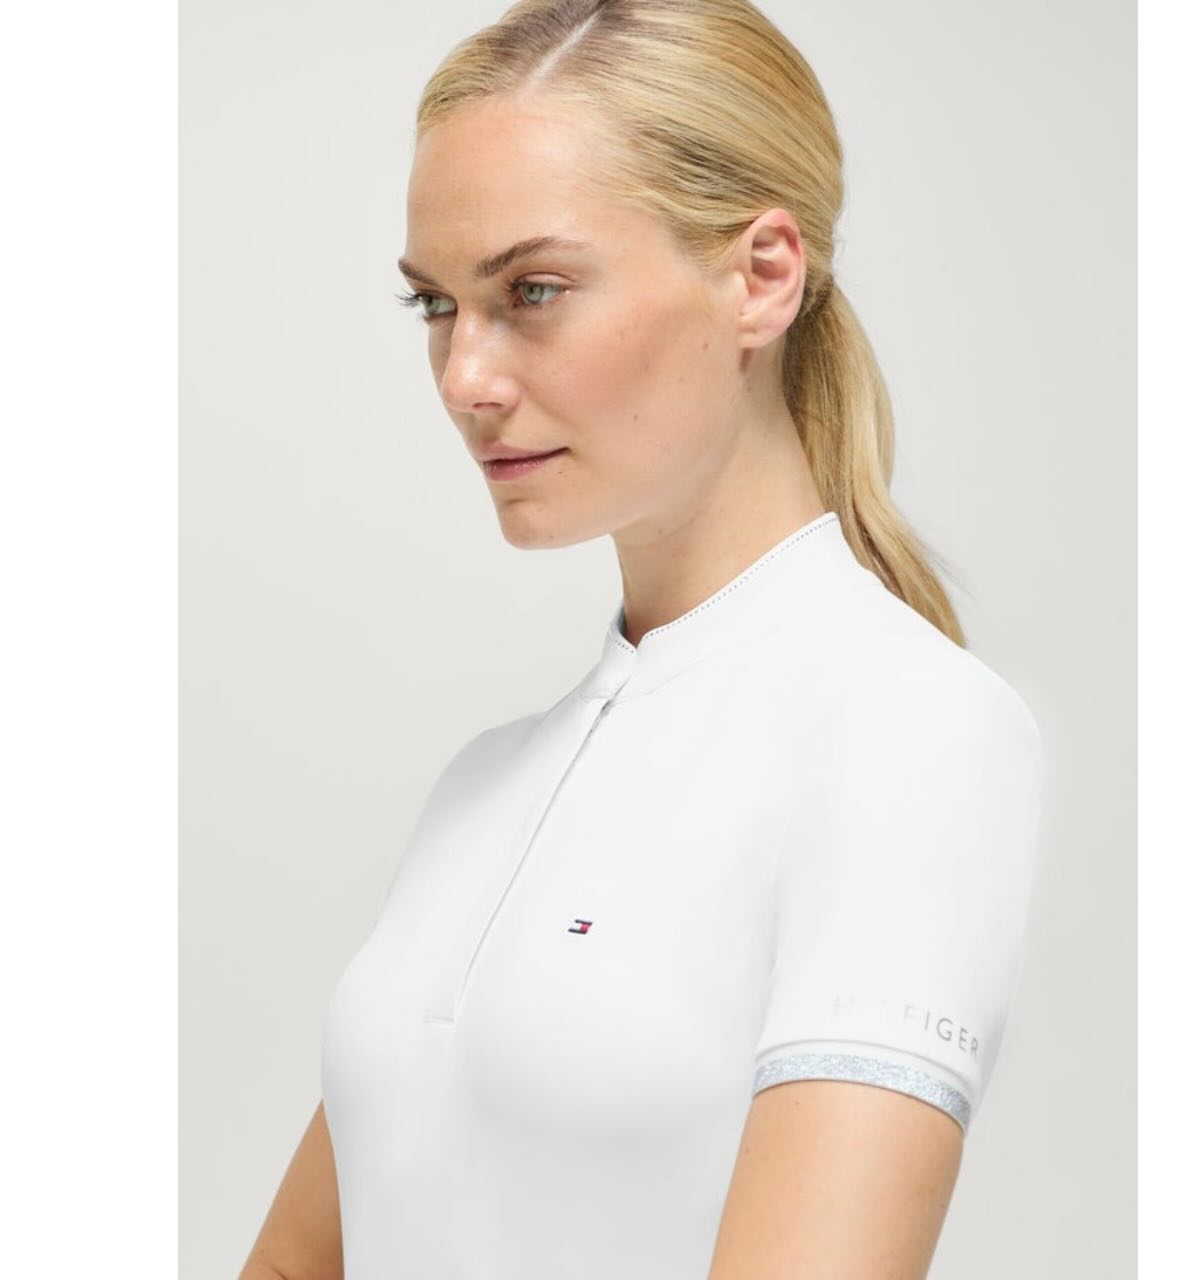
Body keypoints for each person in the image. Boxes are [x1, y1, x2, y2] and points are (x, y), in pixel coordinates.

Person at [239, 2, 1044, 1277]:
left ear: (761, 276)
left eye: (532, 290)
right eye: (435, 303)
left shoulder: (907, 726)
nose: (463, 377)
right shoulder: (481, 786)